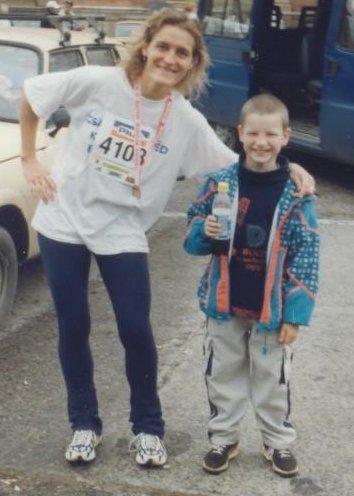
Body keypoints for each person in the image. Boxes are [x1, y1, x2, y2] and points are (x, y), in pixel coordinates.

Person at [20, 8, 314, 469]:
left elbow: (234, 166)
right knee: (73, 325)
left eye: (183, 53)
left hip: (122, 230)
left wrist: (287, 165)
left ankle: (148, 428)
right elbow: (32, 96)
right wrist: (30, 162)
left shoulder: (185, 120)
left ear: (193, 62)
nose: (170, 58)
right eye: (164, 47)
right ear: (146, 47)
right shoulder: (98, 82)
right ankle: (84, 424)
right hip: (65, 221)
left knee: (136, 329)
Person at [184, 94, 319, 477]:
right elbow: (192, 230)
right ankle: (223, 437)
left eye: (271, 134)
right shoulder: (219, 182)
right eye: (254, 133)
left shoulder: (297, 193)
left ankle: (278, 441)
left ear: (286, 136)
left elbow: (307, 256)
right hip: (223, 304)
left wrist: (295, 314)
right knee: (222, 373)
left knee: (272, 379)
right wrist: (203, 231)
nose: (262, 142)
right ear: (240, 133)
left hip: (271, 312)